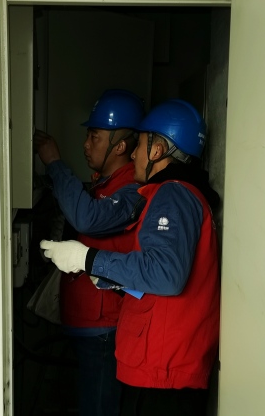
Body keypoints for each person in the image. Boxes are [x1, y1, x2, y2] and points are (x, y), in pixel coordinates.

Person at [40, 99, 221, 416]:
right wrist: (106, 275)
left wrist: (88, 259)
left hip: (164, 369)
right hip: (162, 365)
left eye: (140, 145)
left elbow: (165, 274)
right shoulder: (177, 194)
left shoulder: (173, 194)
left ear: (157, 151)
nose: (134, 154)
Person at [34, 89, 145, 416]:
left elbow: (87, 219)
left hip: (103, 330)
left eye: (94, 136)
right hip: (86, 324)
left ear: (120, 146)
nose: (85, 144)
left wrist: (55, 163)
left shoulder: (131, 189)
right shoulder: (103, 184)